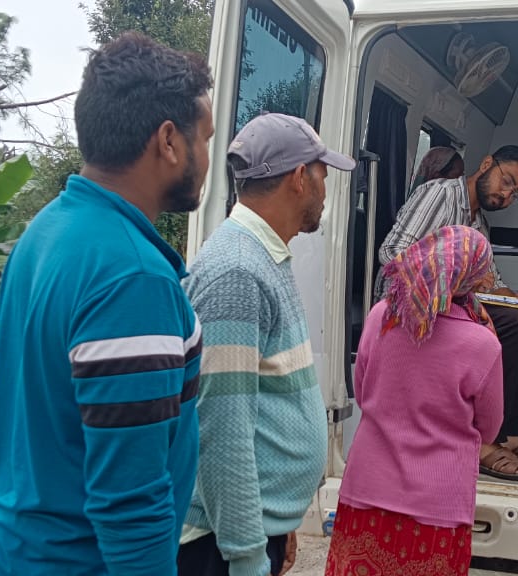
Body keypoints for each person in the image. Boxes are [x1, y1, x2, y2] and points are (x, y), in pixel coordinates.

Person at [0, 32, 213, 576]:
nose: (209, 156)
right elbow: (130, 504)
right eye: (206, 137)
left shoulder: (48, 230)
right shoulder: (133, 277)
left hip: (8, 551)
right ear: (169, 142)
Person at [180, 113, 355, 576]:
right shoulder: (238, 272)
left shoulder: (262, 255)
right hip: (218, 547)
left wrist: (280, 521)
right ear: (300, 179)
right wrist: (247, 554)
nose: (325, 188)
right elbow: (222, 432)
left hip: (253, 528)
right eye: (322, 174)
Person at [378, 144, 518, 484]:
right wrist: (446, 285)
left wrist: (512, 296)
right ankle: (483, 441)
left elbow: (488, 278)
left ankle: (514, 432)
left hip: (454, 305)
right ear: (486, 164)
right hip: (415, 305)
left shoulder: (479, 223)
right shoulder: (440, 194)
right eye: (506, 181)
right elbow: (393, 251)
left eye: (515, 193)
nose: (506, 195)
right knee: (507, 323)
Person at [326, 225, 504, 576]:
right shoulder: (483, 344)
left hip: (366, 489)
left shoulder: (382, 315)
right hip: (437, 506)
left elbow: (362, 392)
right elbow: (490, 428)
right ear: (471, 276)